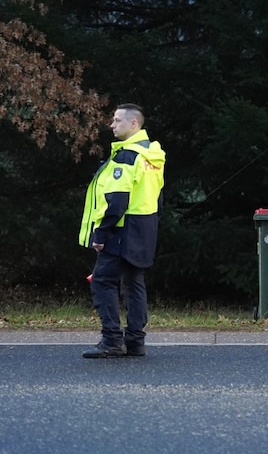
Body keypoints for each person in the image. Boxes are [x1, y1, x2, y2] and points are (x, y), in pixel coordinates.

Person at [78, 103, 166, 358]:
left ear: (133, 124)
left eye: (117, 120)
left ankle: (112, 341)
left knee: (103, 282)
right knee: (134, 283)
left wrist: (101, 234)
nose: (112, 125)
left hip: (122, 229)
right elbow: (158, 196)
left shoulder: (126, 156)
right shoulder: (151, 155)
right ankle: (136, 342)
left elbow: (117, 199)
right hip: (144, 227)